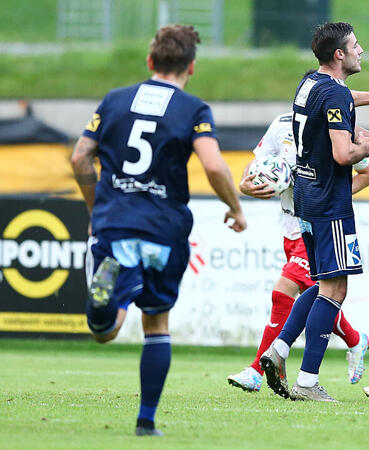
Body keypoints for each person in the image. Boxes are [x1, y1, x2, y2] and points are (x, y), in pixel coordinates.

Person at [70, 24, 246, 436]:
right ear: (192, 67)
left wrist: (98, 208)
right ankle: (146, 423)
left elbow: (80, 159)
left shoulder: (114, 101)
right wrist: (235, 209)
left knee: (105, 332)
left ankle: (103, 302)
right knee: (157, 322)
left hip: (116, 224)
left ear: (150, 61)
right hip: (165, 230)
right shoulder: (192, 110)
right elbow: (215, 165)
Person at [259, 22, 369, 402]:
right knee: (336, 288)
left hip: (305, 198)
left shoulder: (311, 83)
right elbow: (343, 153)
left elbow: (339, 97)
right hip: (330, 201)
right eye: (356, 46)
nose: (361, 51)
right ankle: (307, 382)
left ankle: (279, 349)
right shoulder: (333, 93)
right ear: (339, 54)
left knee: (322, 284)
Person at [226, 109, 369, 392]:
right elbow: (255, 167)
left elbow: (367, 174)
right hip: (291, 229)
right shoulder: (281, 124)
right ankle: (357, 341)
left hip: (320, 224)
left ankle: (258, 370)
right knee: (320, 296)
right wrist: (246, 184)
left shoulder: (340, 128)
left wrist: (328, 200)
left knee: (283, 291)